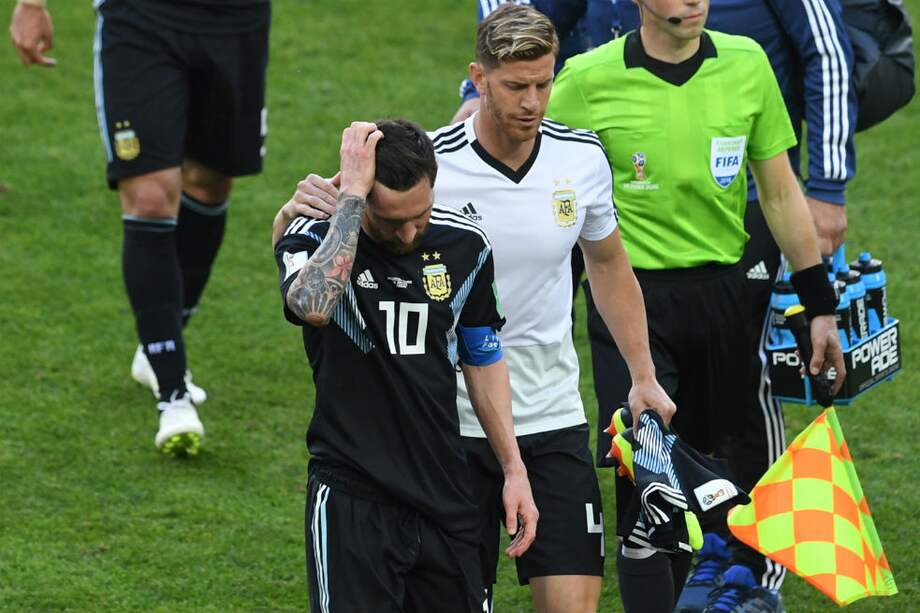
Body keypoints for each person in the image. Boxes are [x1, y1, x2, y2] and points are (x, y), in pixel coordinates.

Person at [279, 6, 675, 612]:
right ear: (479, 78)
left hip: (552, 413)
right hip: (447, 429)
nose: (533, 102)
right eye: (516, 86)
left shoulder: (582, 160)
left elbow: (608, 265)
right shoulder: (428, 166)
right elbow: (317, 258)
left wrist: (642, 376)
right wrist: (296, 215)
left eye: (544, 84)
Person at [546, 0, 847, 610]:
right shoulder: (584, 81)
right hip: (630, 306)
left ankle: (739, 596)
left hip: (727, 301)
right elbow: (544, 187)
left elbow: (781, 191)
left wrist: (820, 304)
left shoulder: (747, 63)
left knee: (727, 479)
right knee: (645, 488)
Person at [273, 119, 538, 613]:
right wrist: (349, 197)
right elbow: (313, 305)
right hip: (353, 498)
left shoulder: (465, 246)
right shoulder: (313, 235)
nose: (410, 231)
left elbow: (482, 356)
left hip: (445, 492)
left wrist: (513, 468)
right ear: (365, 198)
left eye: (421, 213)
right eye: (392, 222)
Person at [10, 0, 271, 454]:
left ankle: (159, 341)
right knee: (149, 197)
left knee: (210, 184)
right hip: (141, 17)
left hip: (235, 20)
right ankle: (173, 394)